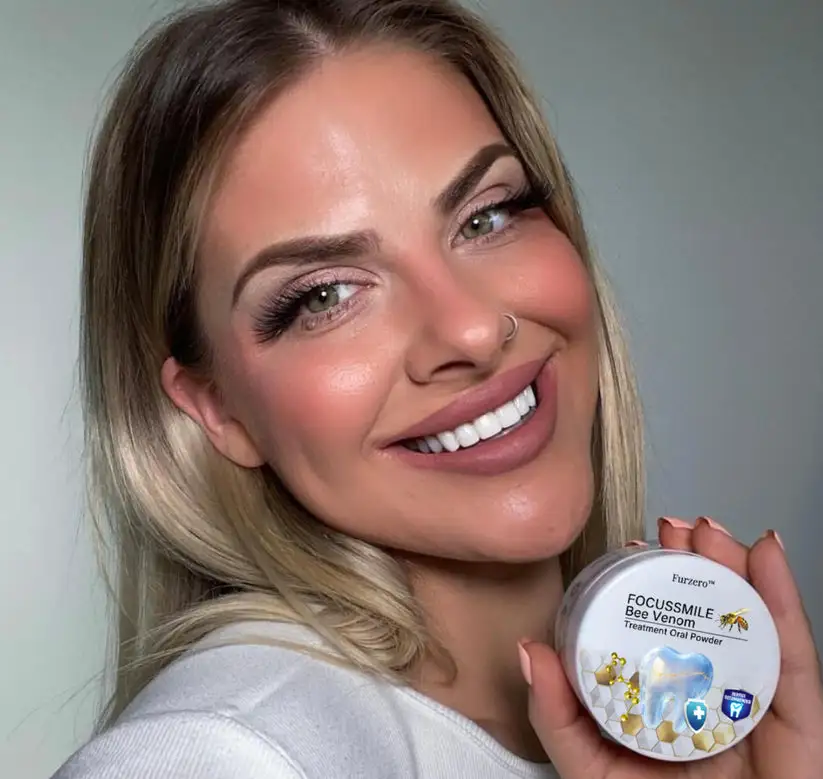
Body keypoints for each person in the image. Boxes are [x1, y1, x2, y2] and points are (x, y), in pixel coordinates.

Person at [53, 0, 822, 777]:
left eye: (485, 218)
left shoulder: (663, 719)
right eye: (325, 295)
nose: (471, 330)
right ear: (216, 408)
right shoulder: (222, 753)